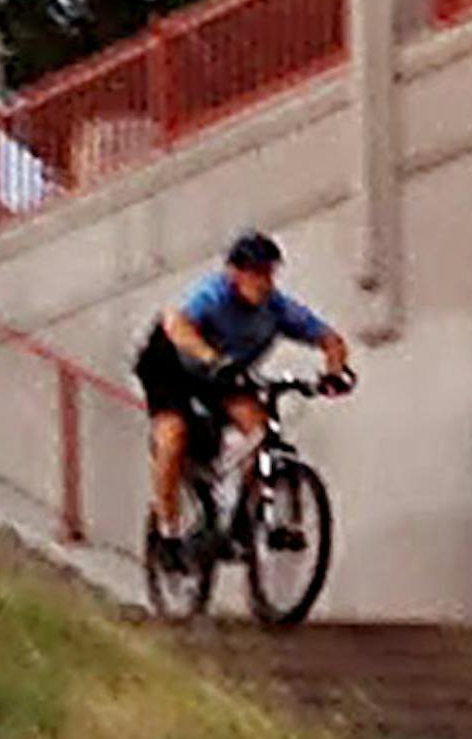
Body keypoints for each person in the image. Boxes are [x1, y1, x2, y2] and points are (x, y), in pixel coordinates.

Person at [133, 230, 355, 566]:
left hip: (223, 373)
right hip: (173, 367)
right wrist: (210, 358)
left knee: (260, 431)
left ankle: (239, 523)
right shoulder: (214, 294)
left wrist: (335, 372)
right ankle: (167, 534)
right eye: (256, 273)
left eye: (269, 273)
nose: (264, 282)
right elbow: (177, 325)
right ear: (234, 273)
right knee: (173, 436)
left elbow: (330, 339)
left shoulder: (276, 308)